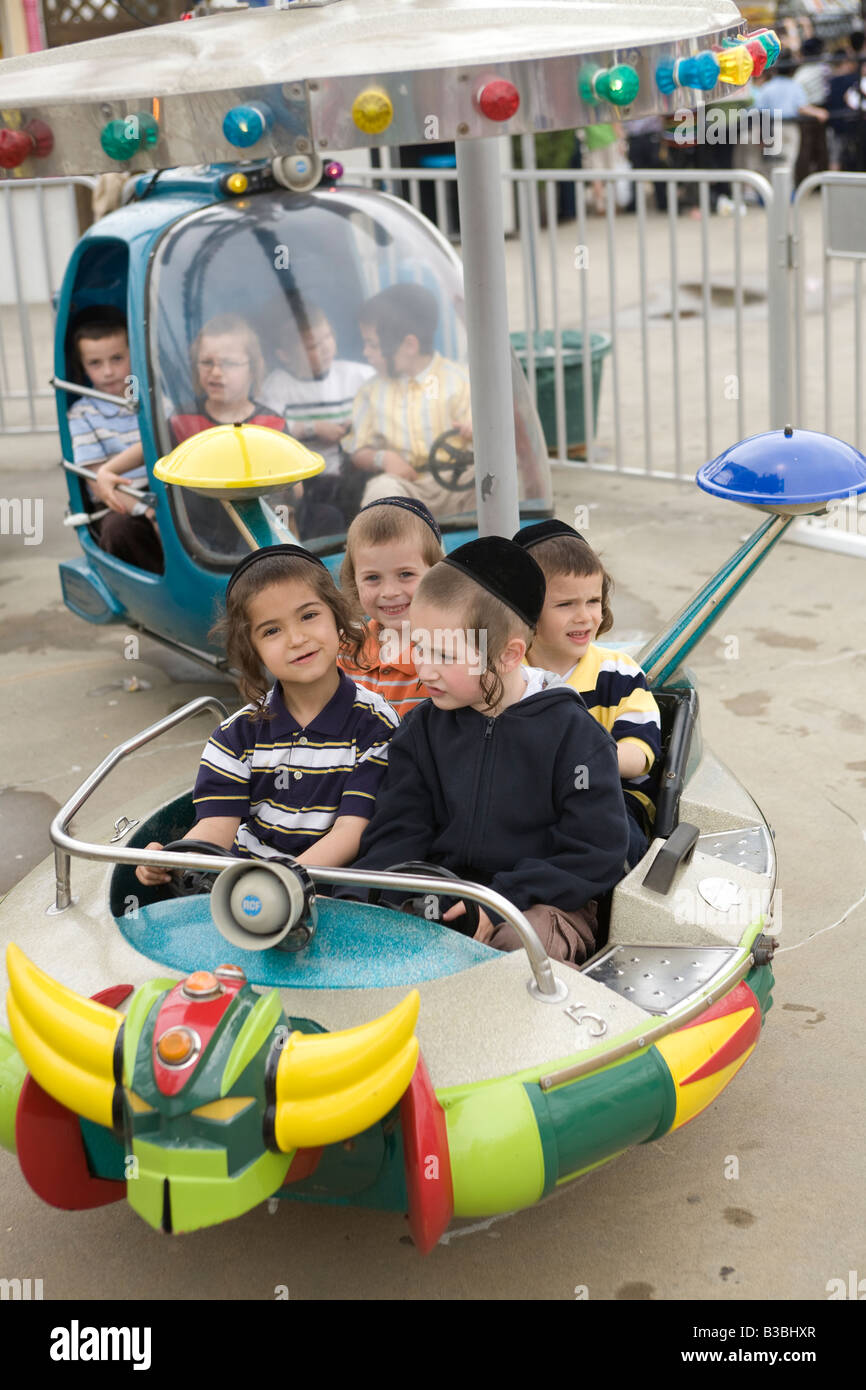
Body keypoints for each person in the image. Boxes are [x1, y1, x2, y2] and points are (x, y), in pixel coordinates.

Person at [346, 536, 631, 965]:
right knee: (378, 933)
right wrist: (364, 898)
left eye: (443, 654)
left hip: (545, 901)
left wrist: (495, 902)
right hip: (444, 892)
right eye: (419, 647)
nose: (425, 668)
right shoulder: (421, 731)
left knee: (519, 952)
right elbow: (398, 832)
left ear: (509, 655)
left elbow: (594, 852)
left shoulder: (575, 735)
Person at [135, 544, 399, 885]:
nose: (297, 638)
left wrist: (282, 882)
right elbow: (217, 826)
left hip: (337, 890)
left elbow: (352, 830)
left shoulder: (376, 723)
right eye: (272, 631)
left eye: (308, 616)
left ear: (337, 618)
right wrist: (175, 858)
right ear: (252, 648)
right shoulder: (235, 736)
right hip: (247, 887)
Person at [514, 519, 661, 868]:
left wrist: (571, 764)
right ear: (527, 609)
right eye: (565, 605)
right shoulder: (507, 674)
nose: (584, 617)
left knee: (600, 830)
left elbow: (639, 754)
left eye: (593, 601)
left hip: (611, 801)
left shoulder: (619, 673)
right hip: (528, 800)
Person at [169, 313, 340, 545]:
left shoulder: (271, 423)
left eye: (228, 363)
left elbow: (295, 489)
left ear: (253, 368)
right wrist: (108, 473)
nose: (216, 372)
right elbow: (152, 453)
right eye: (207, 362)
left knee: (329, 517)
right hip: (202, 536)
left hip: (261, 525)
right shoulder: (183, 420)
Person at [344, 283, 474, 518]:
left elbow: (488, 431)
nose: (365, 352)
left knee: (486, 477)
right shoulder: (371, 392)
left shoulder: (460, 381)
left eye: (372, 344)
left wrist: (476, 430)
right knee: (381, 490)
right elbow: (357, 448)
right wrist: (383, 458)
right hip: (406, 487)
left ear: (409, 345)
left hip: (456, 480)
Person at [259, 300, 374, 526]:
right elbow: (267, 433)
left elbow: (386, 408)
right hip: (308, 482)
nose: (325, 348)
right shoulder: (277, 387)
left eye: (328, 338)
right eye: (312, 346)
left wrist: (360, 423)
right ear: (284, 355)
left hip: (353, 473)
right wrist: (312, 428)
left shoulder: (359, 376)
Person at [67, 310, 163, 573]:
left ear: (135, 354)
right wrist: (149, 510)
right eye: (95, 363)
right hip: (118, 499)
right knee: (119, 531)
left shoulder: (154, 398)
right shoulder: (82, 414)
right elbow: (100, 484)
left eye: (118, 358)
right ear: (82, 367)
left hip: (164, 489)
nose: (108, 372)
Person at [338, 496, 444, 717]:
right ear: (354, 580)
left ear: (437, 574)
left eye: (405, 574)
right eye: (373, 578)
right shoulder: (345, 650)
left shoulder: (450, 652)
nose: (390, 592)